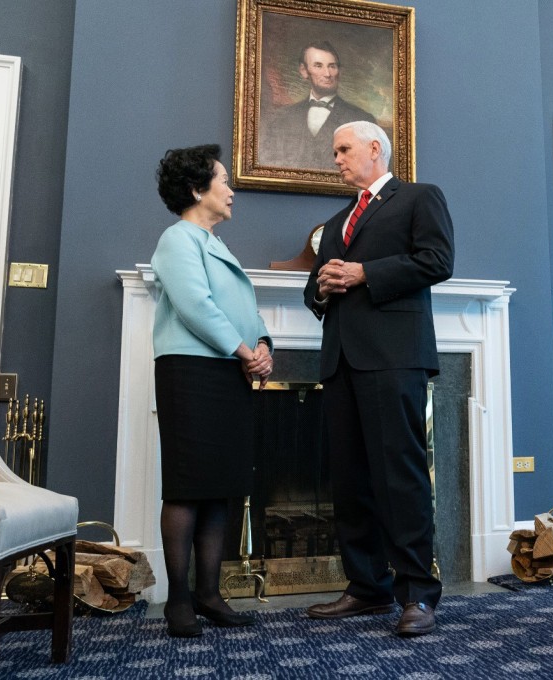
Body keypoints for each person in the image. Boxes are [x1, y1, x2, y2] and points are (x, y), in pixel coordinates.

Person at [303, 121, 454, 636]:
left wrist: (364, 273)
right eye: (334, 151)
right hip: (341, 362)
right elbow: (314, 294)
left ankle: (417, 595)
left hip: (395, 357)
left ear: (374, 148)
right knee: (350, 482)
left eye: (343, 149)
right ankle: (367, 588)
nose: (336, 159)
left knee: (400, 476)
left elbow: (437, 260)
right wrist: (323, 287)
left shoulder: (419, 197)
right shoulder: (335, 222)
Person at [152, 144, 274, 638]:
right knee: (188, 485)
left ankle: (209, 594)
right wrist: (247, 352)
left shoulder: (215, 243)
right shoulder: (177, 239)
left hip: (228, 371)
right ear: (197, 189)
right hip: (191, 371)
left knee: (221, 486)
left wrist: (263, 343)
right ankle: (178, 600)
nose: (231, 189)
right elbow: (196, 307)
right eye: (223, 180)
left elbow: (245, 307)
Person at [259, 41, 377, 170]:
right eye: (318, 66)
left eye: (332, 66)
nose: (327, 74)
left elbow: (369, 171)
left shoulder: (363, 120)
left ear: (339, 71)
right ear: (304, 71)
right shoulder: (281, 118)